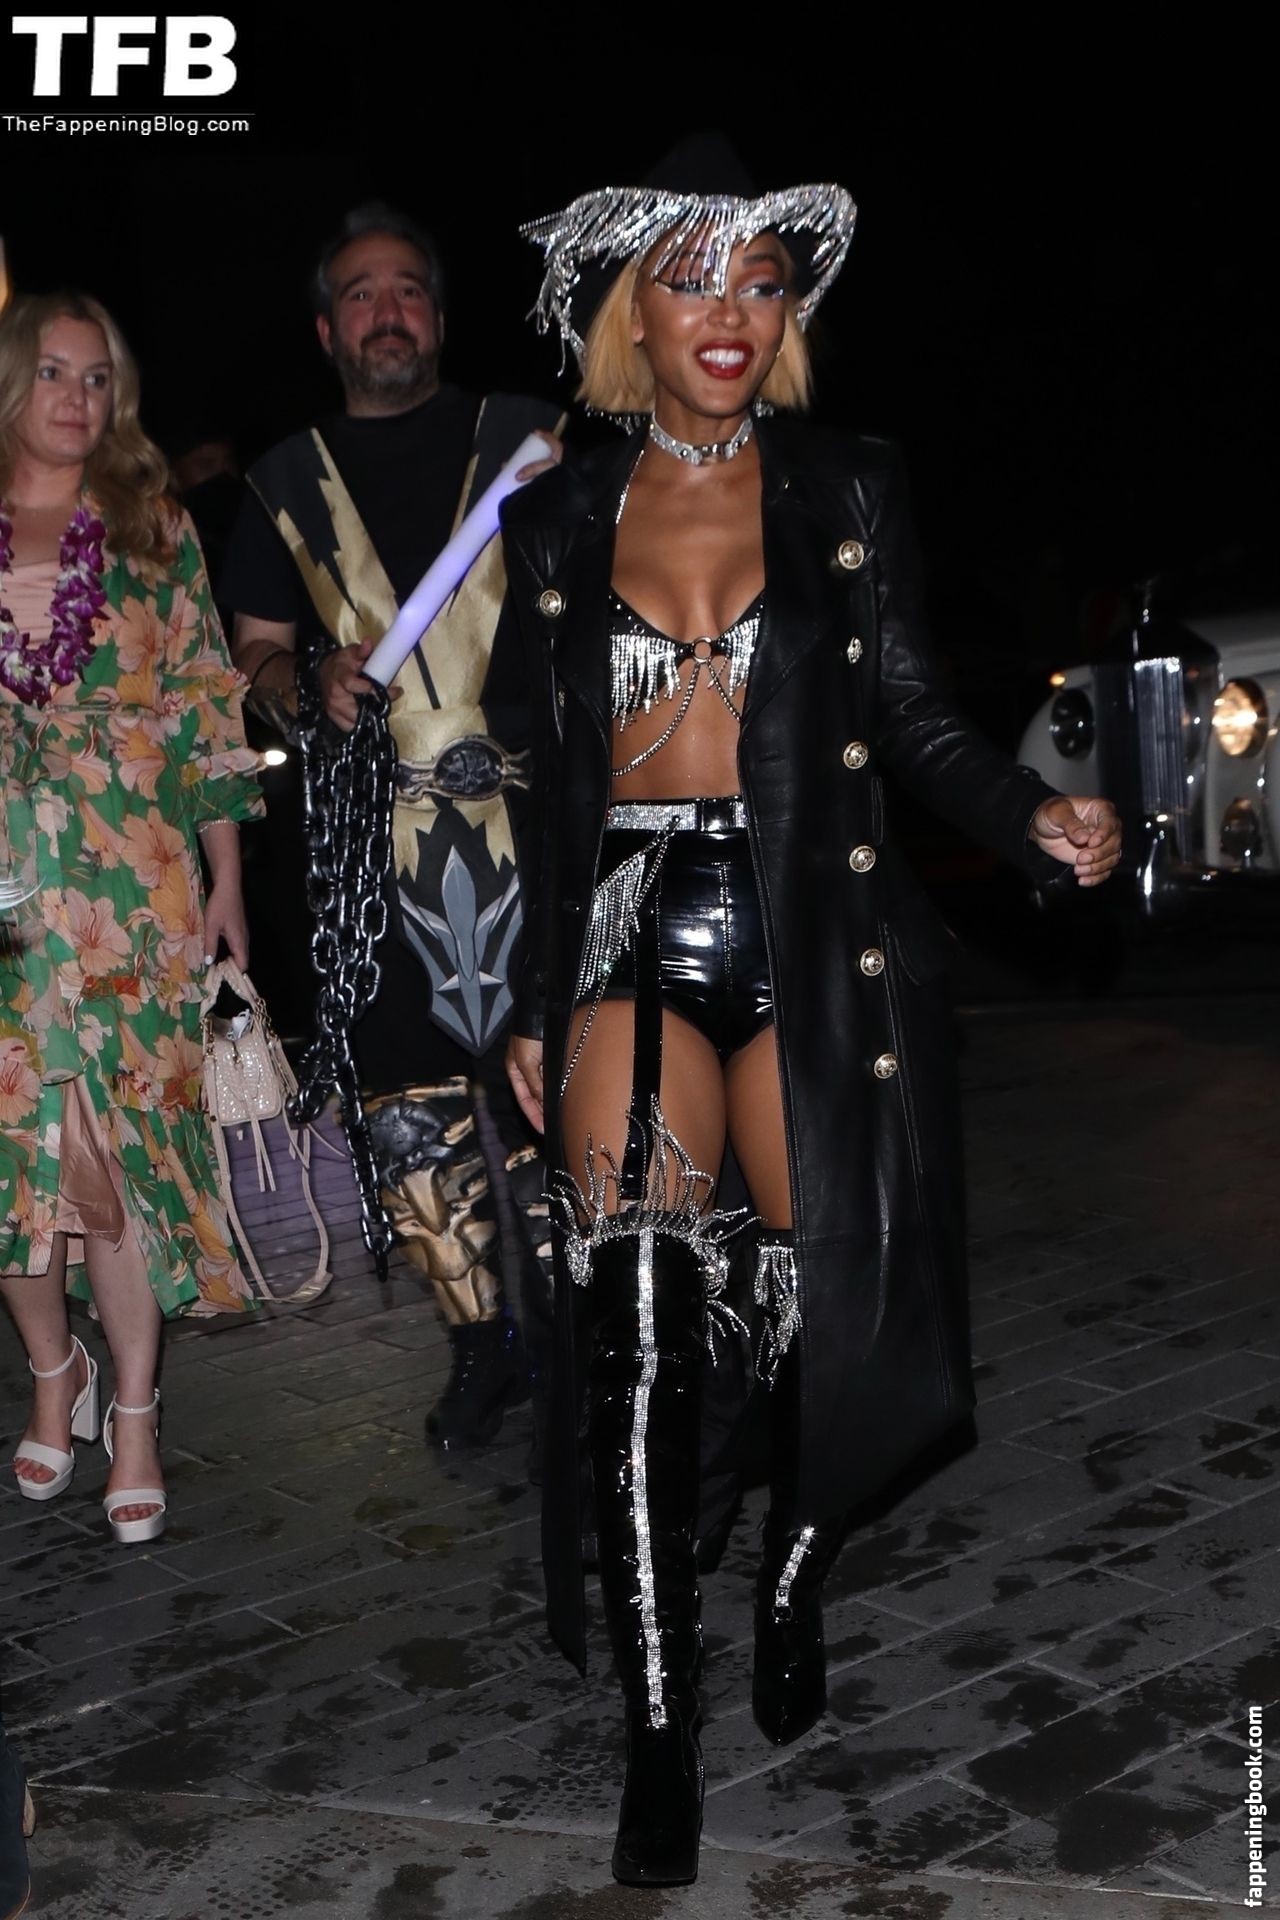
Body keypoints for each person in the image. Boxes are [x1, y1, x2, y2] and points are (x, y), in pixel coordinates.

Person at [501, 136, 1122, 1888]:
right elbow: (538, 775)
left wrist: (1031, 814)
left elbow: (911, 713)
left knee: (826, 1320)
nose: (730, 310)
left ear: (787, 316)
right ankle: (659, 1730)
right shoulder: (557, 515)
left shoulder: (849, 482)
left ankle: (792, 1562)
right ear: (635, 312)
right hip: (629, 928)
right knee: (639, 1320)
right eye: (693, 279)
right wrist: (533, 996)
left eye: (761, 281)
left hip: (815, 928)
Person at [222, 203, 562, 1449]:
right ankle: (482, 1345)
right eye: (360, 294)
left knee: (558, 1080)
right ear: (327, 330)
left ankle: (576, 1324)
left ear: (439, 315)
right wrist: (304, 678)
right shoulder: (283, 479)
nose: (386, 311)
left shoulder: (530, 443)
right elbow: (253, 650)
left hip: (543, 825)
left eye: (406, 288)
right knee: (406, 1104)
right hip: (375, 843)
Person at [0, 292, 263, 1546]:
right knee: (12, 1166)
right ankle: (57, 1371)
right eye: (54, 372)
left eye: (98, 376)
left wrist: (227, 880)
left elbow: (208, 704)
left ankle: (140, 1412)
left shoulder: (154, 529)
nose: (78, 397)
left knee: (122, 1162)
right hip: (3, 888)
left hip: (132, 881)